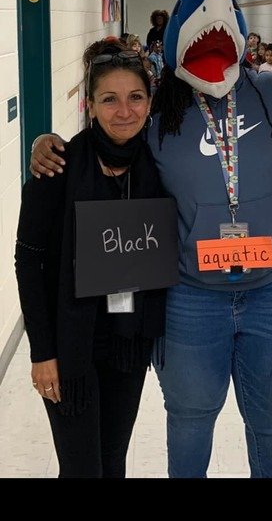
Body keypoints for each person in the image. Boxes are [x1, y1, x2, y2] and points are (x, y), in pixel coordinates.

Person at [31, 0, 272, 478]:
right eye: (111, 99)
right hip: (190, 298)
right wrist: (47, 144)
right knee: (188, 418)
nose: (124, 106)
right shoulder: (161, 117)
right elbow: (108, 143)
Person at [16, 41, 169, 478]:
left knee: (113, 460)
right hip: (70, 346)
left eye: (135, 97)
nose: (125, 111)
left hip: (128, 340)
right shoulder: (58, 167)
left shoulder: (159, 163)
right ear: (90, 104)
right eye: (110, 99)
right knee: (82, 468)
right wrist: (42, 352)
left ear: (149, 101)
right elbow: (28, 264)